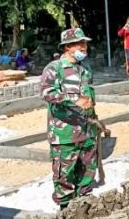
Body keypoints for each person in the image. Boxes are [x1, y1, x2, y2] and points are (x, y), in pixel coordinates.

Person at [41, 28, 101, 209]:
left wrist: (94, 119)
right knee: (64, 177)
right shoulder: (54, 69)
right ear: (68, 47)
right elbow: (47, 93)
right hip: (65, 133)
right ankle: (66, 212)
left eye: (85, 44)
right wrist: (74, 100)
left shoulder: (85, 69)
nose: (84, 47)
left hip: (87, 131)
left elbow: (88, 96)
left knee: (87, 173)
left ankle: (85, 209)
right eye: (80, 44)